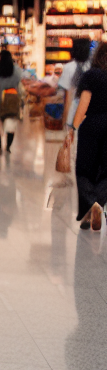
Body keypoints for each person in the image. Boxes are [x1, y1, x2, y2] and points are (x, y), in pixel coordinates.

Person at [70, 40, 107, 230]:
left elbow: (83, 105)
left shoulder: (91, 76)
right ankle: (99, 204)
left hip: (92, 126)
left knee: (85, 169)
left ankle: (88, 209)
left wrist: (72, 127)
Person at [0, 48, 27, 154]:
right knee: (11, 126)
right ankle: (8, 146)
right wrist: (21, 103)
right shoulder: (17, 71)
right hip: (12, 103)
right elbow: (20, 89)